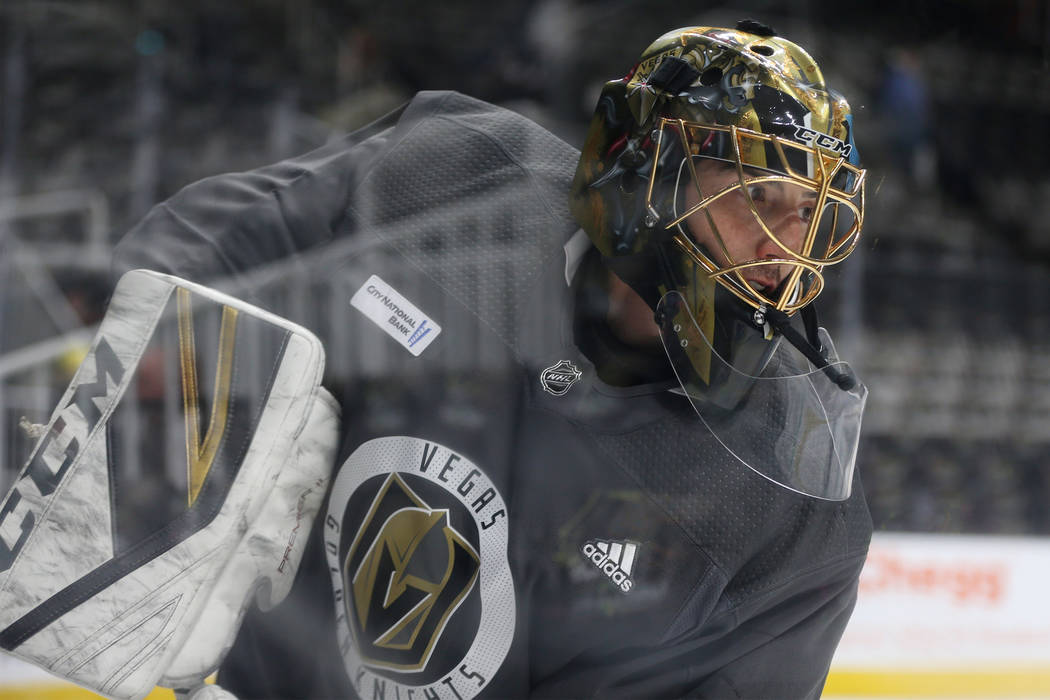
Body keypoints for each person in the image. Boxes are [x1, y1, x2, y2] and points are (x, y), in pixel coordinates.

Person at [20, 20, 869, 700]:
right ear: (642, 166)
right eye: (755, 195)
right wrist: (142, 392)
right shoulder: (452, 173)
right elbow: (216, 247)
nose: (783, 246)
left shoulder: (793, 510)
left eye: (810, 212)